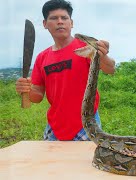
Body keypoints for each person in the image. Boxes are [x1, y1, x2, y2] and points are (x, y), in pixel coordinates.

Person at [15, 0, 115, 141]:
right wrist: (26, 89)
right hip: (55, 124)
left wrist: (102, 55)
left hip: (86, 122)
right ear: (45, 24)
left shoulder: (86, 47)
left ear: (71, 23)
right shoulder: (42, 57)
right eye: (54, 18)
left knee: (83, 162)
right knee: (51, 162)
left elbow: (110, 69)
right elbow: (37, 97)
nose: (60, 22)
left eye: (64, 18)